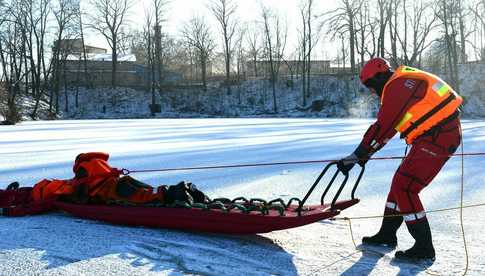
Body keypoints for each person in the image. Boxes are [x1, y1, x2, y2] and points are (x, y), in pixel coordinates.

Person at [338, 58, 462, 261]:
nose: (371, 91)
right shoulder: (402, 82)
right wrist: (363, 154)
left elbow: (383, 126)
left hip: (439, 135)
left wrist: (359, 154)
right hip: (433, 135)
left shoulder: (398, 85)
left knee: (405, 187)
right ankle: (387, 234)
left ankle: (424, 248)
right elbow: (389, 129)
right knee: (399, 184)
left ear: (380, 76)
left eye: (370, 85)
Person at [1, 152, 210, 216]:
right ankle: (174, 191)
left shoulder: (60, 185)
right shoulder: (92, 166)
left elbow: (43, 203)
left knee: (143, 195)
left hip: (108, 189)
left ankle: (174, 193)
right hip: (115, 183)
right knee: (144, 192)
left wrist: (12, 211)